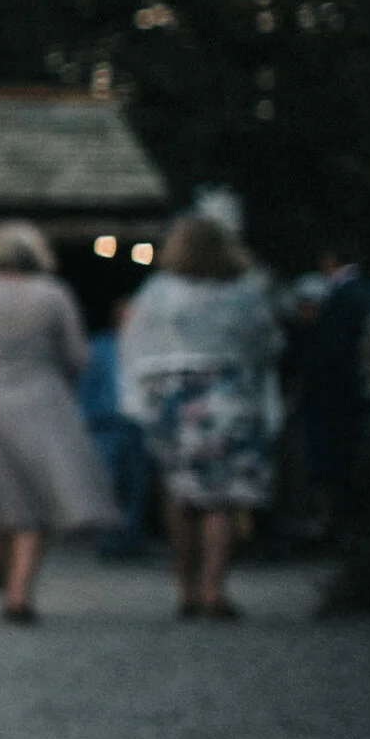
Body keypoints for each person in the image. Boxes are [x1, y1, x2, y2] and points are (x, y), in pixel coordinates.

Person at [0, 221, 116, 622]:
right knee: (36, 498)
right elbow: (78, 356)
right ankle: (19, 592)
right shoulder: (53, 295)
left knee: (0, 493)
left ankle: (7, 582)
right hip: (41, 397)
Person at [120, 215, 283, 620]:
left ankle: (187, 587)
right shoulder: (243, 293)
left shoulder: (158, 292)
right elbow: (267, 345)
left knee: (182, 496)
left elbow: (135, 346)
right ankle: (214, 587)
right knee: (221, 500)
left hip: (172, 399)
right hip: (227, 396)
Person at [293, 245, 370, 535]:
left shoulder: (345, 296)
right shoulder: (361, 293)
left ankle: (331, 521)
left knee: (332, 459)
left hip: (335, 395)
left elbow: (335, 350)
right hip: (344, 394)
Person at [79, 300, 149, 559]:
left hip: (137, 424)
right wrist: (85, 419)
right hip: (106, 423)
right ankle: (107, 539)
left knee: (136, 484)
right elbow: (86, 386)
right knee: (107, 482)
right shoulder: (100, 346)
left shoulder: (146, 347)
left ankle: (130, 539)